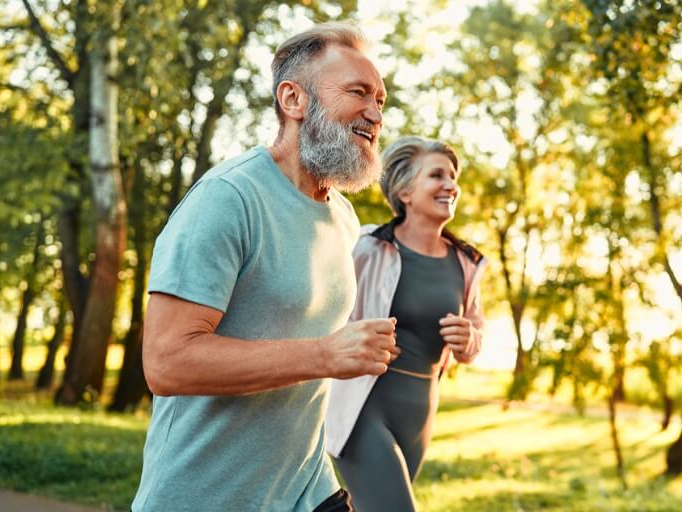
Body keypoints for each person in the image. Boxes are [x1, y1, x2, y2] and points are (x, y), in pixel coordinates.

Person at [132, 23, 399, 512]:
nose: (375, 113)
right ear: (293, 99)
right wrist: (323, 356)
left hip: (307, 490)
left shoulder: (341, 215)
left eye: (381, 99)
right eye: (358, 93)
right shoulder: (228, 199)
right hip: (204, 496)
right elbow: (166, 362)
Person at [325, 136, 488, 512]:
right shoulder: (367, 248)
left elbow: (476, 333)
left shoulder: (466, 262)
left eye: (452, 176)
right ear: (405, 192)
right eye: (436, 175)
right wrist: (362, 339)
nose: (451, 185)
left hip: (420, 411)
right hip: (364, 407)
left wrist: (469, 340)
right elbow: (328, 317)